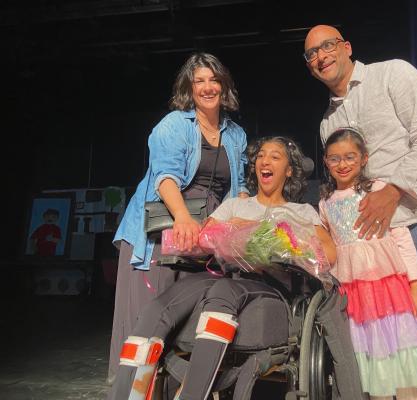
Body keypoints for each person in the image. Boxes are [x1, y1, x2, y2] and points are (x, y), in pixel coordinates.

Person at [304, 25, 417, 399]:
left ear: (347, 47)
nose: (321, 56)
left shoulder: (393, 74)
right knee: (384, 339)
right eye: (311, 54)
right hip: (376, 242)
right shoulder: (327, 124)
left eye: (328, 46)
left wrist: (394, 190)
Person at [107, 136, 340, 400]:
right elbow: (206, 237)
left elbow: (328, 254)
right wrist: (235, 229)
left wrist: (281, 238)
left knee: (223, 291)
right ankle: (124, 395)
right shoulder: (234, 206)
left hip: (270, 284)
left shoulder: (301, 212)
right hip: (229, 274)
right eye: (261, 155)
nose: (265, 160)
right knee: (159, 306)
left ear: (288, 170)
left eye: (275, 157)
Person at [108, 52, 250, 383]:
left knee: (184, 323)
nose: (207, 87)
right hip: (161, 234)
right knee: (146, 325)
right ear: (189, 88)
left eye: (213, 79)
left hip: (202, 237)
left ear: (223, 84)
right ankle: (131, 389)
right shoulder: (173, 125)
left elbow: (238, 189)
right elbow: (165, 176)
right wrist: (184, 217)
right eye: (198, 80)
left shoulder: (235, 134)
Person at [319, 128, 417, 399]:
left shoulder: (378, 190)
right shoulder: (325, 202)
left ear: (364, 158)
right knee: (371, 360)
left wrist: (416, 286)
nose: (343, 164)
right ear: (326, 162)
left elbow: (401, 237)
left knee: (401, 356)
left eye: (350, 157)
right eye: (334, 159)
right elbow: (329, 245)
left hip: (389, 291)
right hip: (354, 295)